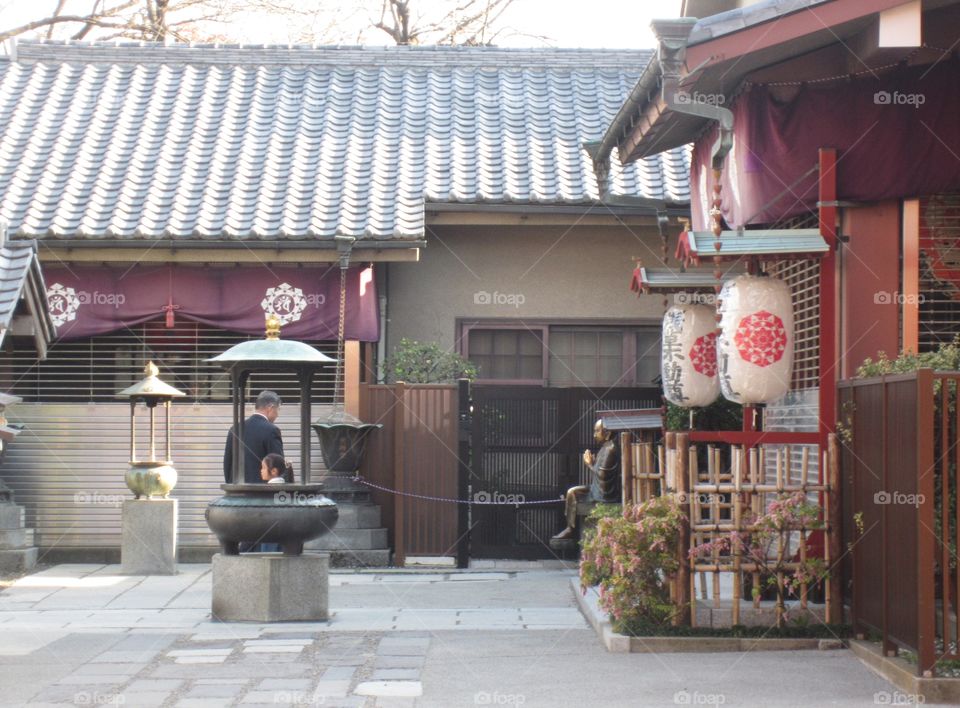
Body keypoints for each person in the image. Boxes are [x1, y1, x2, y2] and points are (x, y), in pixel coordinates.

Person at [551, 419, 621, 542]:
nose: (594, 435)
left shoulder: (610, 449)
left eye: (597, 431)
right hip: (596, 487)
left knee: (572, 492)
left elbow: (602, 475)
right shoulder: (605, 447)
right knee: (571, 492)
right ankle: (569, 528)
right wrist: (593, 463)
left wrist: (589, 464)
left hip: (603, 493)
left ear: (608, 433)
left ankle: (570, 529)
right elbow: (599, 471)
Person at [223, 390, 284, 484]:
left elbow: (227, 464)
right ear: (270, 408)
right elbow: (278, 468)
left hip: (236, 492)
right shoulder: (272, 430)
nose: (278, 414)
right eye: (278, 409)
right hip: (260, 493)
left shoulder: (234, 429)